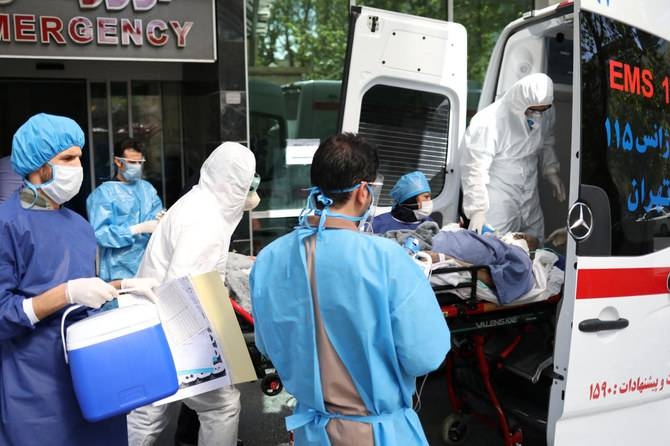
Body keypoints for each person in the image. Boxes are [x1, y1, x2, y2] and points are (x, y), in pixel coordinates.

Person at [250, 133, 450, 445]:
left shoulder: (269, 259)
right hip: (375, 434)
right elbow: (426, 355)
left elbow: (266, 344)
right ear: (363, 191)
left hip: (310, 432)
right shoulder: (387, 259)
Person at [0, 113, 157, 446]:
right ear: (38, 164)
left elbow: (85, 292)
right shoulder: (7, 225)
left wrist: (123, 287)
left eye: (79, 158)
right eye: (67, 158)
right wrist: (66, 293)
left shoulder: (78, 225)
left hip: (94, 373)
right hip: (36, 385)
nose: (76, 167)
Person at [127, 141, 260, 446]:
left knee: (147, 411)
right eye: (248, 183)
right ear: (233, 184)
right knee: (222, 405)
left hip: (153, 321)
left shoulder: (198, 203)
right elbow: (183, 287)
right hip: (174, 325)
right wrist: (211, 350)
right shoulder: (208, 221)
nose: (252, 191)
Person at [459, 73, 566, 240]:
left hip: (530, 186)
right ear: (521, 103)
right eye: (532, 110)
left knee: (534, 241)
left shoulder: (546, 111)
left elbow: (547, 141)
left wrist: (551, 171)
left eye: (542, 110)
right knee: (498, 245)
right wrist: (477, 209)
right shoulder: (490, 121)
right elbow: (474, 168)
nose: (538, 116)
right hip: (499, 191)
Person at [86, 138, 163, 282]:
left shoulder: (147, 189)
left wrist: (161, 220)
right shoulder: (103, 194)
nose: (137, 167)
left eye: (140, 163)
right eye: (132, 163)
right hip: (117, 271)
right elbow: (100, 234)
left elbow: (156, 218)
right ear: (118, 162)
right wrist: (136, 229)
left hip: (149, 265)